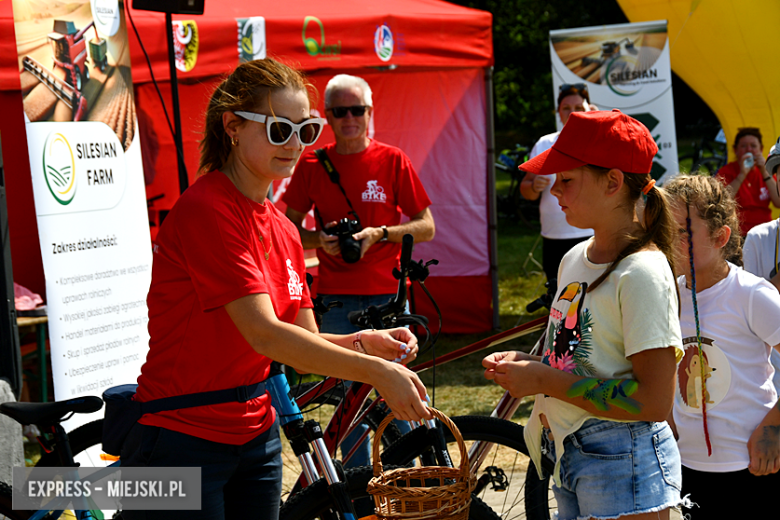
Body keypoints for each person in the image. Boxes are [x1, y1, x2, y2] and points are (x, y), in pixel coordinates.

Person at [121, 59, 430, 520]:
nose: (295, 145)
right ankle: (39, 493)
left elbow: (302, 338)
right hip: (182, 433)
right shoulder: (208, 208)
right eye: (278, 129)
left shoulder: (284, 227)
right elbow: (266, 335)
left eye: (305, 131)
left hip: (254, 437)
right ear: (233, 127)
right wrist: (375, 373)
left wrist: (365, 344)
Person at [483, 109, 684, 520]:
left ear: (612, 182)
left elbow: (654, 400)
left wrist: (543, 380)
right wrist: (532, 365)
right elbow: (585, 363)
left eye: (566, 180)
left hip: (623, 460)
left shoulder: (643, 273)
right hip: (572, 454)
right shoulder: (575, 259)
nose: (554, 191)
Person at [282, 74, 435, 466]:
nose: (349, 117)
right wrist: (322, 241)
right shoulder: (313, 163)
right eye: (339, 111)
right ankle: (358, 491)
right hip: (336, 300)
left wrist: (381, 233)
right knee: (350, 400)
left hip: (388, 295)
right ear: (327, 118)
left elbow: (426, 225)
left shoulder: (392, 159)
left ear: (369, 113)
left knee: (396, 391)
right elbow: (288, 227)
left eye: (357, 110)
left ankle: (409, 480)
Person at [663, 175, 780, 519]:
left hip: (754, 466)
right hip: (688, 469)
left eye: (682, 232)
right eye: (664, 231)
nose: (670, 242)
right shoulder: (666, 294)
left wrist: (773, 428)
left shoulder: (752, 295)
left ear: (720, 236)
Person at [520, 83, 594, 282]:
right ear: (558, 113)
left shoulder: (598, 142)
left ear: (590, 109)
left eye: (579, 108)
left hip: (593, 233)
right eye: (566, 108)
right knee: (558, 297)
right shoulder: (545, 144)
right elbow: (525, 189)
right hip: (555, 236)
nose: (572, 113)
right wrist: (534, 186)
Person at [715, 127, 780, 235]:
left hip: (764, 232)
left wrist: (765, 172)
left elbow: (778, 202)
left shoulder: (766, 171)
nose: (749, 150)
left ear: (761, 149)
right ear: (736, 150)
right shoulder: (726, 172)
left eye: (753, 146)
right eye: (743, 146)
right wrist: (742, 175)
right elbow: (721, 202)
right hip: (736, 232)